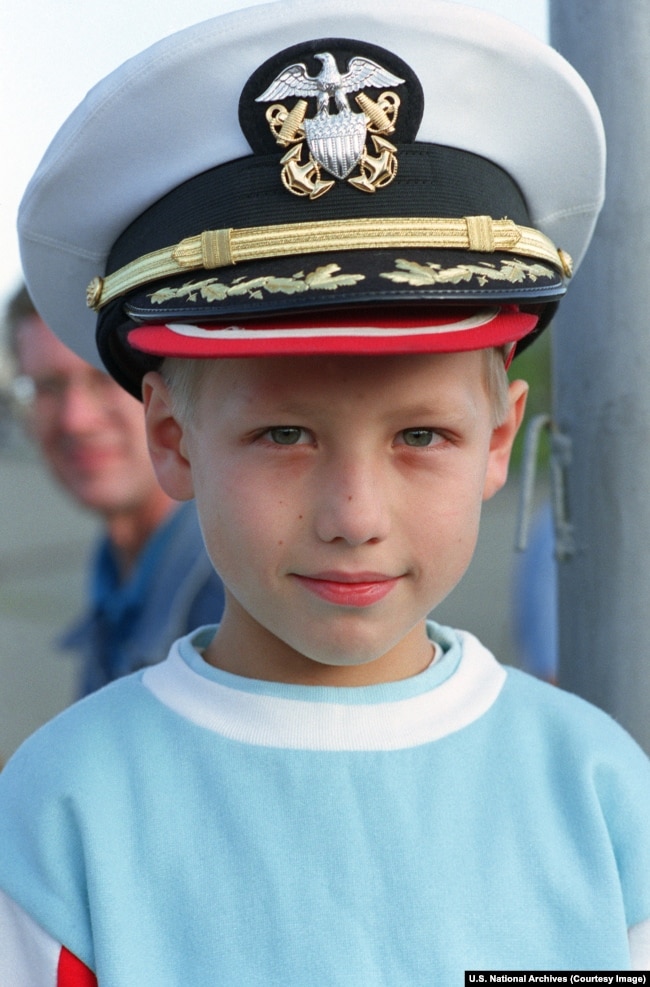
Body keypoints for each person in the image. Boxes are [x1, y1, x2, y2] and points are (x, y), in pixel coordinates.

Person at [1, 1, 650, 981]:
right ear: (172, 440)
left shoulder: (600, 793)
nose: (353, 516)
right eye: (283, 434)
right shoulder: (62, 814)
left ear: (498, 441)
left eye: (420, 435)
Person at [4, 285, 225, 696]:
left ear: (170, 394)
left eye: (103, 376)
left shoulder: (232, 610)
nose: (76, 420)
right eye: (48, 387)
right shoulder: (115, 579)